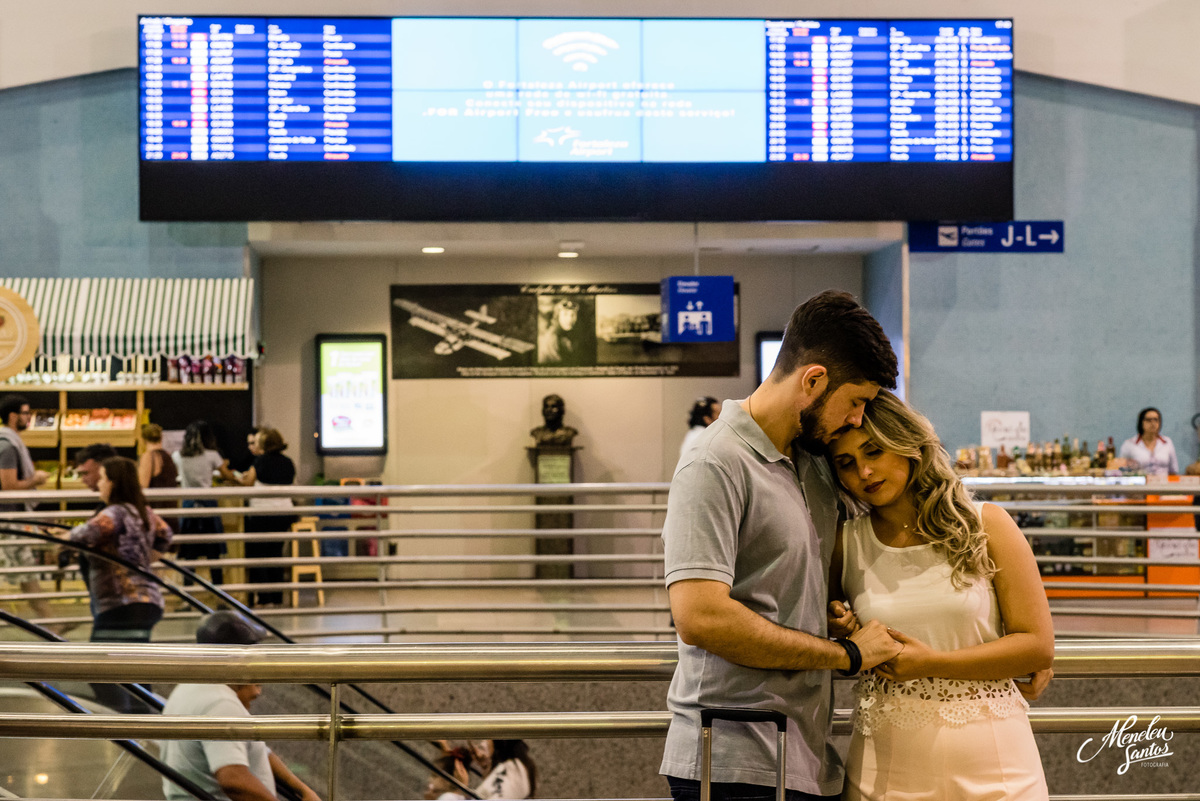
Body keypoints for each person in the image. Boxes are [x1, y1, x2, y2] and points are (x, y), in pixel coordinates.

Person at [660, 290, 902, 801]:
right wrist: (846, 655)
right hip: (731, 761)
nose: (858, 420)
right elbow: (701, 617)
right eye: (855, 401)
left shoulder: (812, 463)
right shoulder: (714, 462)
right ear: (813, 380)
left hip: (802, 756)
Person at [827, 390, 1054, 799]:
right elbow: (825, 633)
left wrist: (933, 663)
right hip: (885, 768)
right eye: (846, 463)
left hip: (997, 765)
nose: (863, 471)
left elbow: (1038, 647)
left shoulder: (988, 525)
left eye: (873, 452)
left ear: (907, 445)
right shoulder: (846, 543)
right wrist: (840, 626)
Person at [160, 610, 321, 801]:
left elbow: (254, 748)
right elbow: (233, 780)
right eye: (253, 653)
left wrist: (302, 789)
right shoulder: (221, 703)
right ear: (238, 659)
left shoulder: (190, 688)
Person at [64, 455, 172, 641]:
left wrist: (57, 536)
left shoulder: (112, 514)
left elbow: (80, 535)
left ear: (113, 483)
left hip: (119, 604)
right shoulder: (142, 511)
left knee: (104, 661)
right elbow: (165, 534)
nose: (99, 484)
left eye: (103, 478)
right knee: (131, 660)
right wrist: (145, 557)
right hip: (148, 601)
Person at [173, 421, 236, 586]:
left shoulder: (177, 456)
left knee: (189, 554)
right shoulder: (212, 455)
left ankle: (188, 596)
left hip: (188, 506)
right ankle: (219, 596)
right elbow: (228, 476)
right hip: (208, 505)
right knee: (213, 553)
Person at [239, 427, 296, 607]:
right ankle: (277, 596)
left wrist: (240, 478)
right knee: (275, 553)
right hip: (284, 513)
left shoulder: (260, 462)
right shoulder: (288, 463)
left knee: (258, 555)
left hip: (261, 514)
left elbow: (247, 483)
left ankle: (264, 598)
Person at [1118, 407, 1178, 477]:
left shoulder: (1167, 442)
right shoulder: (1129, 444)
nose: (1153, 423)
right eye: (1149, 420)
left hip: (1163, 485)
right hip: (1139, 485)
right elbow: (1121, 470)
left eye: (1156, 420)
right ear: (1141, 422)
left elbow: (1173, 470)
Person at [537, 296, 588, 365]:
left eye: (573, 314)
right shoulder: (552, 338)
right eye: (565, 314)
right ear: (557, 316)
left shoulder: (571, 333)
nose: (570, 319)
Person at [678, 396, 721, 465]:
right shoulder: (705, 438)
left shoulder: (693, 434)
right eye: (718, 413)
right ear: (707, 419)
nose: (721, 416)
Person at [138, 423, 179, 490]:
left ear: (143, 439)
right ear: (161, 437)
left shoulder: (148, 457)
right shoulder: (168, 455)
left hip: (155, 499)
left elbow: (143, 486)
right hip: (171, 499)